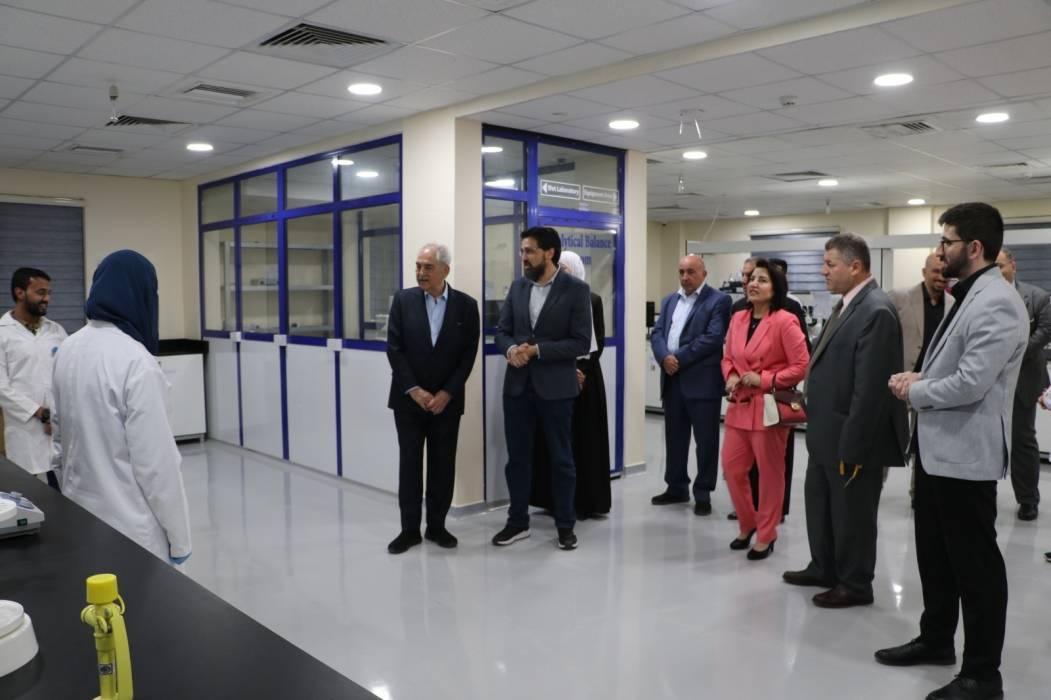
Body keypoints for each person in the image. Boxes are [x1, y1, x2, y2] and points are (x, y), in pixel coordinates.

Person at [877, 203, 1028, 700]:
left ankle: (983, 674)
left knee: (975, 567)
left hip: (965, 456)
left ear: (975, 247)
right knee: (936, 555)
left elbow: (970, 383)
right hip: (938, 450)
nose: (940, 250)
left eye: (947, 241)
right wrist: (919, 376)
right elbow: (954, 365)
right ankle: (937, 638)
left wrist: (915, 392)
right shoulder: (968, 294)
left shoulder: (997, 302)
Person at [782, 233, 908, 608]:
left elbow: (870, 392)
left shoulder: (876, 311)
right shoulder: (847, 304)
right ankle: (824, 566)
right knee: (822, 506)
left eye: (830, 264)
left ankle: (854, 583)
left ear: (855, 266)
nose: (823, 271)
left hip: (851, 439)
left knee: (852, 514)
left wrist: (853, 447)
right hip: (826, 433)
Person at [52, 250, 191, 565]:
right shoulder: (136, 361)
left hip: (80, 518)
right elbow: (157, 467)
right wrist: (180, 541)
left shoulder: (68, 347)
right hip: (131, 531)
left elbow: (59, 440)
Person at [493, 226, 591, 550]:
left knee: (561, 460)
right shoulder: (518, 287)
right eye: (522, 251)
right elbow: (502, 330)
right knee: (517, 459)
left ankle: (565, 525)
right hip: (518, 388)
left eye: (529, 251)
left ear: (549, 253)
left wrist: (537, 351)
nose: (523, 257)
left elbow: (580, 342)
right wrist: (511, 350)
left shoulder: (576, 290)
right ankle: (517, 522)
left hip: (557, 389)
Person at [385, 243, 480, 554]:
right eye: (418, 266)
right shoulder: (403, 301)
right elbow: (394, 349)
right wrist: (414, 389)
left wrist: (447, 393)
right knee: (409, 465)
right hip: (408, 401)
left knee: (442, 465)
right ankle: (409, 530)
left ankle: (436, 527)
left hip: (446, 403)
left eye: (427, 267)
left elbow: (468, 355)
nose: (420, 273)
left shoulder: (466, 306)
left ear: (445, 270)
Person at [721, 259, 809, 560]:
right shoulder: (738, 318)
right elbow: (728, 357)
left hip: (768, 409)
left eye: (762, 280)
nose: (753, 284)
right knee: (732, 469)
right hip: (739, 406)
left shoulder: (785, 321)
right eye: (752, 279)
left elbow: (801, 365)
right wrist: (731, 374)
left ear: (775, 288)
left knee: (771, 475)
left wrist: (766, 379)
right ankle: (748, 523)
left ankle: (766, 534)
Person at [530, 251, 611, 519]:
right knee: (556, 441)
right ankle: (553, 500)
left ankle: (584, 502)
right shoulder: (546, 299)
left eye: (565, 270)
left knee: (583, 441)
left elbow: (597, 341)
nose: (560, 275)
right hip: (555, 377)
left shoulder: (592, 300)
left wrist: (579, 371)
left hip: (584, 380)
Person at [650, 254, 731, 515]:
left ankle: (703, 493)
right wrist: (664, 357)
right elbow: (657, 333)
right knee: (675, 439)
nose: (685, 277)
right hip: (672, 380)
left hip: (702, 383)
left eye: (691, 272)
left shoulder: (719, 300)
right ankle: (676, 487)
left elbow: (713, 337)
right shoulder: (669, 300)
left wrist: (678, 359)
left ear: (704, 274)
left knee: (705, 442)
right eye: (681, 272)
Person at [888, 252, 955, 506]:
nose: (940, 277)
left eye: (945, 272)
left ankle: (918, 492)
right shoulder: (899, 297)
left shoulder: (954, 303)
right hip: (898, 381)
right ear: (924, 272)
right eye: (935, 271)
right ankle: (872, 485)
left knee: (923, 441)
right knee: (887, 436)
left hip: (930, 384)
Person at [995, 247, 1051, 521]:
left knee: (1022, 440)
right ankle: (982, 497)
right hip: (989, 381)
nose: (997, 273)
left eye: (1001, 266)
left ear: (1013, 266)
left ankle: (1028, 499)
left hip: (1024, 380)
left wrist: (1016, 351)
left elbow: (1046, 330)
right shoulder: (983, 298)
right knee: (988, 441)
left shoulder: (1036, 296)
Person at [0, 267, 67, 488]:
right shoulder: (3, 333)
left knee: (64, 488)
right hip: (25, 431)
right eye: (40, 292)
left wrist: (57, 415)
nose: (47, 298)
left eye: (49, 293)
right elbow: (2, 387)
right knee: (31, 491)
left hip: (59, 427)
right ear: (20, 293)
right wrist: (40, 413)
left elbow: (67, 375)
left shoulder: (57, 331)